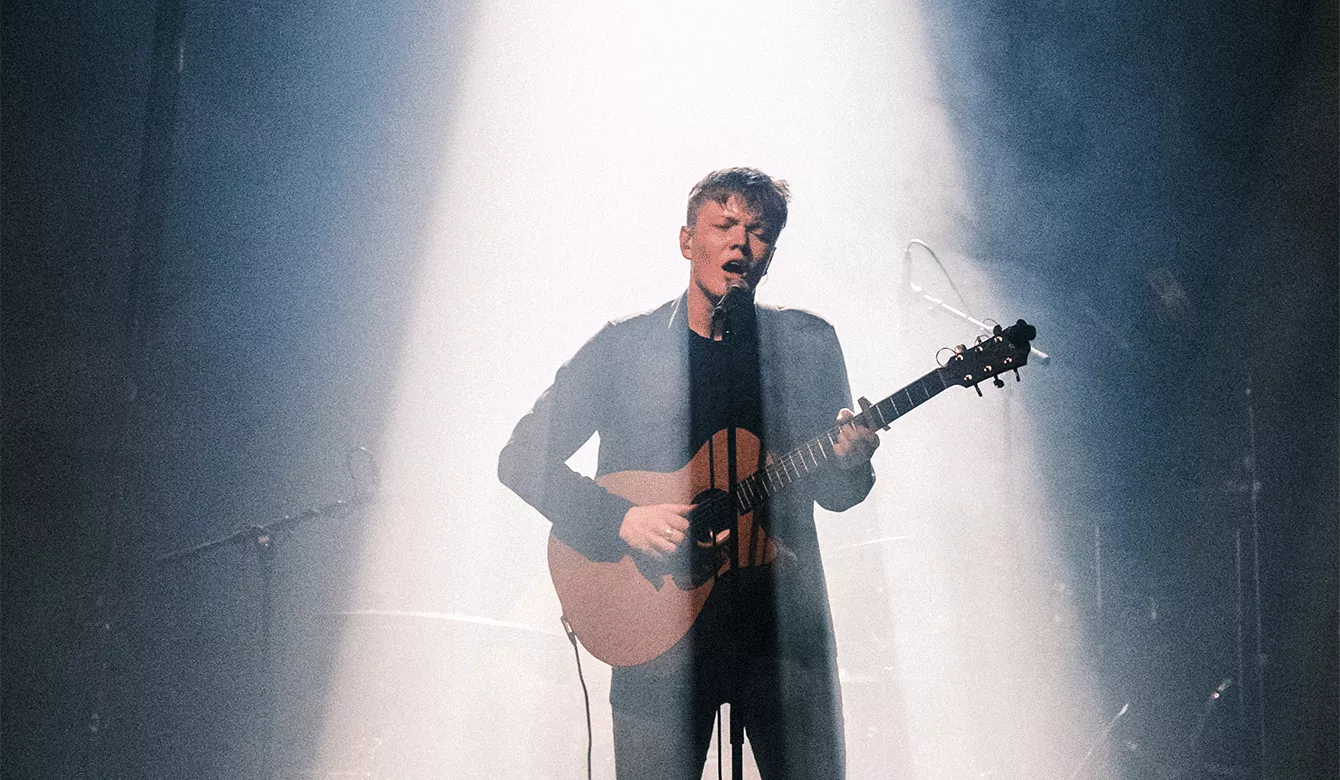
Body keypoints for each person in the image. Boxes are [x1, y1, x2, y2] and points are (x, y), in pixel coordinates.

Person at [498, 168, 879, 779]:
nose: (741, 242)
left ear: (771, 253)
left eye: (759, 232)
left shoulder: (806, 344)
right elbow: (521, 458)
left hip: (782, 638)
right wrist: (621, 519)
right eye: (725, 225)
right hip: (655, 631)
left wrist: (850, 462)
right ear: (686, 241)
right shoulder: (623, 348)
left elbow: (836, 493)